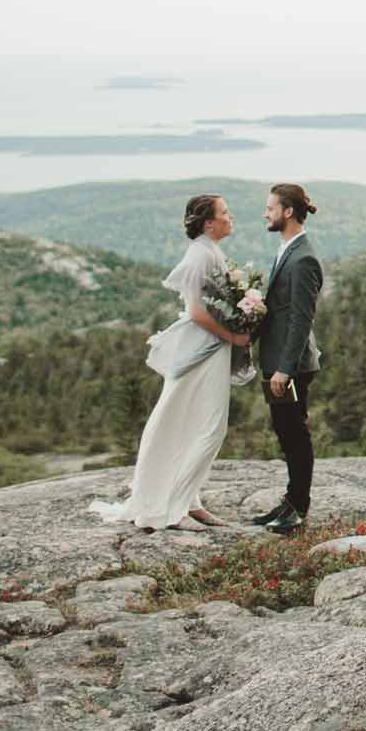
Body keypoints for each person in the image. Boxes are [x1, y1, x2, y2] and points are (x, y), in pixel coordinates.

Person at [89, 194, 252, 531]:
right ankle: (175, 508)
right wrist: (234, 336)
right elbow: (195, 311)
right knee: (207, 426)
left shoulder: (210, 251)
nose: (230, 215)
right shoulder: (198, 257)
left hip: (211, 348)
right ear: (208, 223)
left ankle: (189, 502)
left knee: (194, 423)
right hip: (202, 350)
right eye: (224, 212)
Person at [254, 182, 324, 533]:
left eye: (270, 207)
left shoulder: (304, 258)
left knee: (295, 435)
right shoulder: (288, 250)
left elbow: (301, 319)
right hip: (278, 361)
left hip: (291, 365)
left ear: (287, 212)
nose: (265, 213)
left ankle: (298, 508)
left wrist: (284, 369)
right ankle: (289, 501)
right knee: (285, 433)